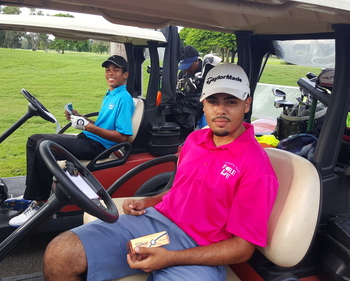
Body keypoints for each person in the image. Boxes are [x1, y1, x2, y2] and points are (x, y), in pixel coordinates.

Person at [43, 63, 279, 281]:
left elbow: (242, 248)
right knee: (60, 253)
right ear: (203, 103)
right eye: (213, 101)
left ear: (246, 104)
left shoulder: (257, 167)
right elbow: (179, 189)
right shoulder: (195, 140)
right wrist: (150, 201)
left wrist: (171, 258)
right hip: (157, 224)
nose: (220, 110)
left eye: (231, 101)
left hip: (201, 250)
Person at [5, 55, 135, 227]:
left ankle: (39, 202)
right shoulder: (111, 94)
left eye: (116, 70)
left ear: (125, 75)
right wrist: (81, 118)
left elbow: (122, 136)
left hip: (98, 146)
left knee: (42, 144)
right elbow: (104, 125)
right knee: (34, 141)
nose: (110, 73)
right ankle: (32, 194)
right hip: (89, 138)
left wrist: (87, 126)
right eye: (108, 70)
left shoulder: (123, 99)